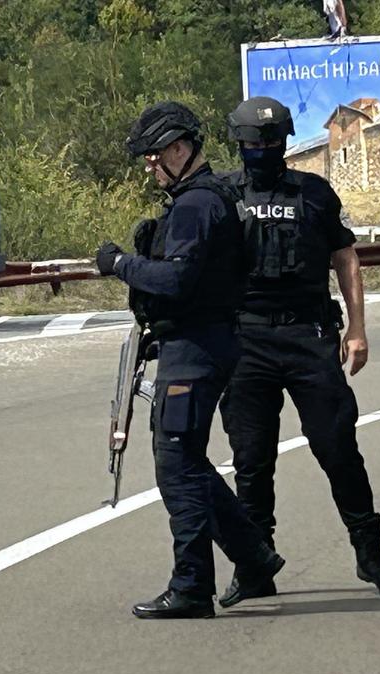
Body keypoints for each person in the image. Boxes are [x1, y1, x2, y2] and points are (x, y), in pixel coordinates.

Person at [216, 96, 380, 607]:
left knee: (338, 449)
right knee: (251, 461)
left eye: (270, 141)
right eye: (253, 142)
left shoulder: (314, 193)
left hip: (308, 336)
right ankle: (257, 566)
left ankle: (372, 557)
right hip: (245, 340)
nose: (261, 149)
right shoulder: (221, 195)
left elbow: (346, 258)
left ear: (283, 140)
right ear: (239, 143)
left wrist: (359, 328)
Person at [96, 101, 284, 619]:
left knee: (177, 468)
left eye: (156, 157)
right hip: (197, 344)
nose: (150, 168)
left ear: (182, 150)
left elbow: (177, 280)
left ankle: (192, 587)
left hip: (198, 353)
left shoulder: (197, 205)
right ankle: (254, 556)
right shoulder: (202, 199)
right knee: (191, 464)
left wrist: (120, 264)